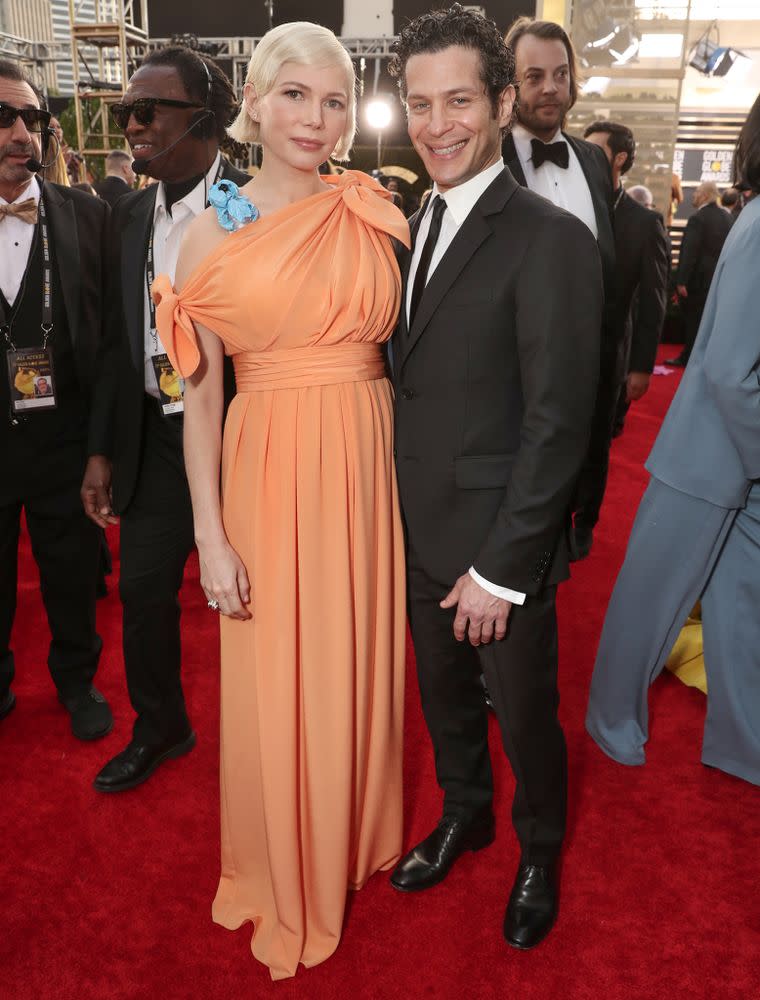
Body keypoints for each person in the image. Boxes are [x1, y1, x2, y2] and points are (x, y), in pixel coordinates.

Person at [151, 22, 408, 979]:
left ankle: (349, 834)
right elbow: (202, 401)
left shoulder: (374, 206)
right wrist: (211, 537)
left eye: (335, 99)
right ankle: (285, 866)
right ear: (252, 104)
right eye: (294, 95)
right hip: (270, 467)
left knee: (360, 656)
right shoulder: (204, 229)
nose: (316, 116)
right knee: (283, 675)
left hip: (368, 460)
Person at [386, 6, 601, 949]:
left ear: (504, 102)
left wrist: (504, 569)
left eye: (461, 100)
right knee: (442, 707)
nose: (439, 125)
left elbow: (559, 423)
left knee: (525, 717)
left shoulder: (549, 237)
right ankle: (465, 814)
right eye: (421, 104)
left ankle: (539, 850)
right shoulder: (405, 221)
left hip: (498, 551)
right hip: (418, 535)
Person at [81, 46, 249, 792]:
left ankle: (269, 741)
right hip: (155, 436)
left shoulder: (254, 207)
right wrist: (100, 453)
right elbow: (119, 343)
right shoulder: (125, 215)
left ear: (205, 117)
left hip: (246, 439)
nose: (133, 126)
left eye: (149, 110)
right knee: (144, 594)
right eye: (126, 113)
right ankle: (161, 727)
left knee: (258, 596)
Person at [586, 92, 760, 788]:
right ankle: (610, 725)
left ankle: (743, 745)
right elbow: (728, 369)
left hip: (735, 456)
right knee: (645, 609)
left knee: (741, 611)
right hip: (709, 454)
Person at [0, 60, 112, 737]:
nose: (22, 133)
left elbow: (112, 349)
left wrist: (101, 450)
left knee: (71, 582)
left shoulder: (88, 216)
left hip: (65, 444)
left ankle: (78, 682)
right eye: (4, 118)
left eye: (33, 119)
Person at [501, 16, 616, 560]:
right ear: (510, 84)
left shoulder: (593, 160)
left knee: (585, 454)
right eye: (535, 76)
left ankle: (577, 525)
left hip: (591, 350)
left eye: (561, 74)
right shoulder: (486, 159)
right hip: (517, 362)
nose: (551, 88)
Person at [584, 121, 668, 419]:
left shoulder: (645, 223)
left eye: (594, 150)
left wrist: (642, 366)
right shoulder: (566, 206)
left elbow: (652, 299)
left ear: (619, 159)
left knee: (595, 455)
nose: (585, 156)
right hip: (555, 357)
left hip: (608, 358)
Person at [665, 180, 733, 368]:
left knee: (694, 321)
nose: (693, 195)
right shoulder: (727, 217)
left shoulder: (698, 218)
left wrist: (681, 281)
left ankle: (688, 357)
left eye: (696, 192)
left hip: (697, 282)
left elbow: (690, 251)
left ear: (704, 195)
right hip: (719, 280)